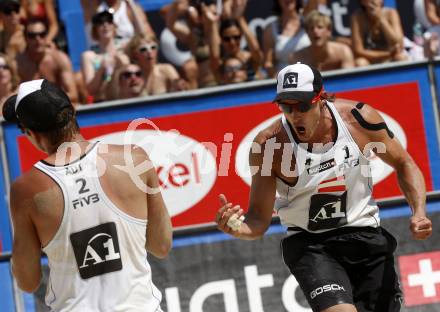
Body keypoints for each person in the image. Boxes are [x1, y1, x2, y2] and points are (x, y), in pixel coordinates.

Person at [215, 63, 433, 312]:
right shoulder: (269, 146)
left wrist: (418, 212)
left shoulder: (359, 119)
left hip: (365, 234)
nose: (295, 114)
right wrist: (236, 227)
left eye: (302, 105)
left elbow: (405, 163)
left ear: (320, 98)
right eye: (286, 106)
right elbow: (257, 220)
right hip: (311, 244)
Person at [3, 79, 172, 311]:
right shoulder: (134, 158)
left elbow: (27, 281)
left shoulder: (26, 189)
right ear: (73, 110)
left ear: (31, 133)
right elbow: (161, 245)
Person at [16, 19, 78, 103]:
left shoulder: (59, 59)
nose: (37, 39)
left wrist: (45, 100)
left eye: (42, 34)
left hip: (57, 108)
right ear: (25, 38)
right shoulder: (19, 63)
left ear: (47, 36)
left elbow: (73, 95)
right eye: (32, 36)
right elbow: (13, 95)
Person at [81, 11, 129, 102]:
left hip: (125, 100)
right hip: (102, 102)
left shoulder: (125, 48)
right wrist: (101, 70)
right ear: (95, 30)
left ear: (114, 26)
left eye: (109, 21)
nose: (105, 25)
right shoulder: (89, 56)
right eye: (100, 23)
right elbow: (91, 90)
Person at [289, 10, 355, 71]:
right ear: (307, 32)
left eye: (320, 27)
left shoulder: (343, 52)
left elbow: (349, 80)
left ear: (329, 31)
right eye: (311, 28)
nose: (315, 31)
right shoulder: (297, 59)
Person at [351, 0, 407, 66]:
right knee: (360, 62)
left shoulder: (391, 13)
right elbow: (358, 51)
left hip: (391, 57)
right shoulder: (357, 17)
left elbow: (399, 44)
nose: (373, 1)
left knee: (401, 57)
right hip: (371, 58)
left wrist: (381, 19)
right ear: (362, 2)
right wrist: (386, 54)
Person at [262, 0, 311, 77]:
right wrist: (279, 78)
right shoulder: (270, 29)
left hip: (310, 76)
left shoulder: (308, 21)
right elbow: (268, 63)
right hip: (286, 82)